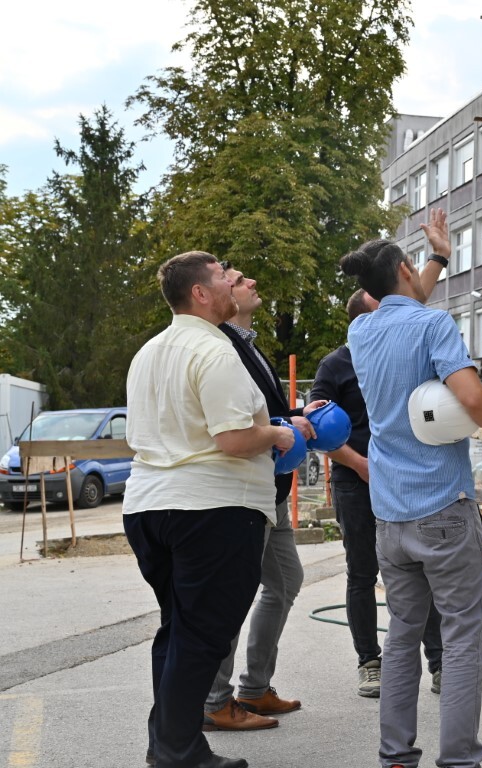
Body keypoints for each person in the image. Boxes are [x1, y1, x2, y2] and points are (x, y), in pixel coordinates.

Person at [340, 207, 482, 768]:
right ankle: (460, 760)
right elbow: (470, 398)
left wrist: (438, 258)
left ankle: (396, 755)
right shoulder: (433, 325)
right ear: (402, 269)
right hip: (443, 508)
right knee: (464, 640)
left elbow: (404, 301)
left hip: (390, 516)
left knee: (400, 640)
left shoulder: (361, 329)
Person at [123, 251, 297, 768]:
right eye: (223, 275)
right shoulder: (216, 351)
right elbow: (233, 438)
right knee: (201, 638)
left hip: (149, 506)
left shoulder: (149, 351)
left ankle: (170, 744)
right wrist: (281, 432)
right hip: (213, 508)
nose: (232, 282)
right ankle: (178, 752)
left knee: (178, 631)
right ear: (200, 292)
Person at [201, 262, 320, 731]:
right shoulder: (219, 346)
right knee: (233, 592)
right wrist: (284, 424)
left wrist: (295, 414)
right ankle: (214, 700)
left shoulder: (249, 347)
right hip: (242, 491)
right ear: (218, 293)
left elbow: (261, 413)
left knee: (286, 581)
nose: (251, 282)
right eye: (238, 278)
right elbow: (233, 427)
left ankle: (253, 689)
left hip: (270, 489)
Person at [309, 288, 444, 699]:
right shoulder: (334, 366)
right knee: (363, 573)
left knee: (422, 569)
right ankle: (370, 663)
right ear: (362, 319)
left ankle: (439, 663)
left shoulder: (393, 357)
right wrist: (358, 464)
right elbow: (317, 427)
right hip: (356, 482)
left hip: (403, 479)